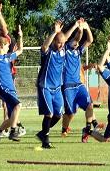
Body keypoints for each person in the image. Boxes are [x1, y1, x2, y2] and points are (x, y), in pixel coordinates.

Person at [60, 19, 102, 142]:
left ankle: (87, 129)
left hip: (79, 85)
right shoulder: (65, 50)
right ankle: (64, 128)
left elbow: (90, 40)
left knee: (89, 105)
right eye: (75, 41)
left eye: (78, 42)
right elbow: (76, 38)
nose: (77, 43)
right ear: (70, 41)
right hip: (67, 86)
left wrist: (86, 27)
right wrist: (77, 27)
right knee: (70, 112)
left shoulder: (78, 52)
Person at [35, 20, 69, 149]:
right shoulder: (48, 52)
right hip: (45, 87)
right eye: (59, 42)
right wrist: (55, 32)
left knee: (58, 115)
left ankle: (43, 133)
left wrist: (76, 26)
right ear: (54, 41)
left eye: (62, 43)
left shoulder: (63, 51)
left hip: (57, 88)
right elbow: (44, 47)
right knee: (48, 113)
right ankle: (45, 141)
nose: (61, 45)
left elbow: (66, 38)